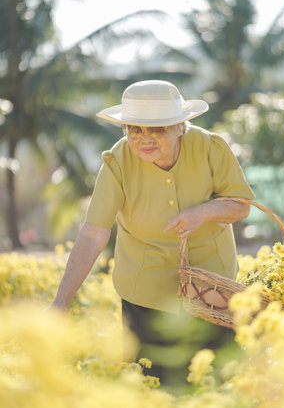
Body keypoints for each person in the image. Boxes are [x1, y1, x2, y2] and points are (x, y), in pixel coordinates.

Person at [49, 80, 254, 387]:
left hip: (212, 290)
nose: (145, 139)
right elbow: (94, 233)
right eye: (135, 129)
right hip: (144, 295)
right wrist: (61, 301)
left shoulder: (211, 148)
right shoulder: (117, 161)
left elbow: (241, 206)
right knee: (152, 386)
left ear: (179, 126)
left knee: (217, 383)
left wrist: (204, 211)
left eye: (157, 129)